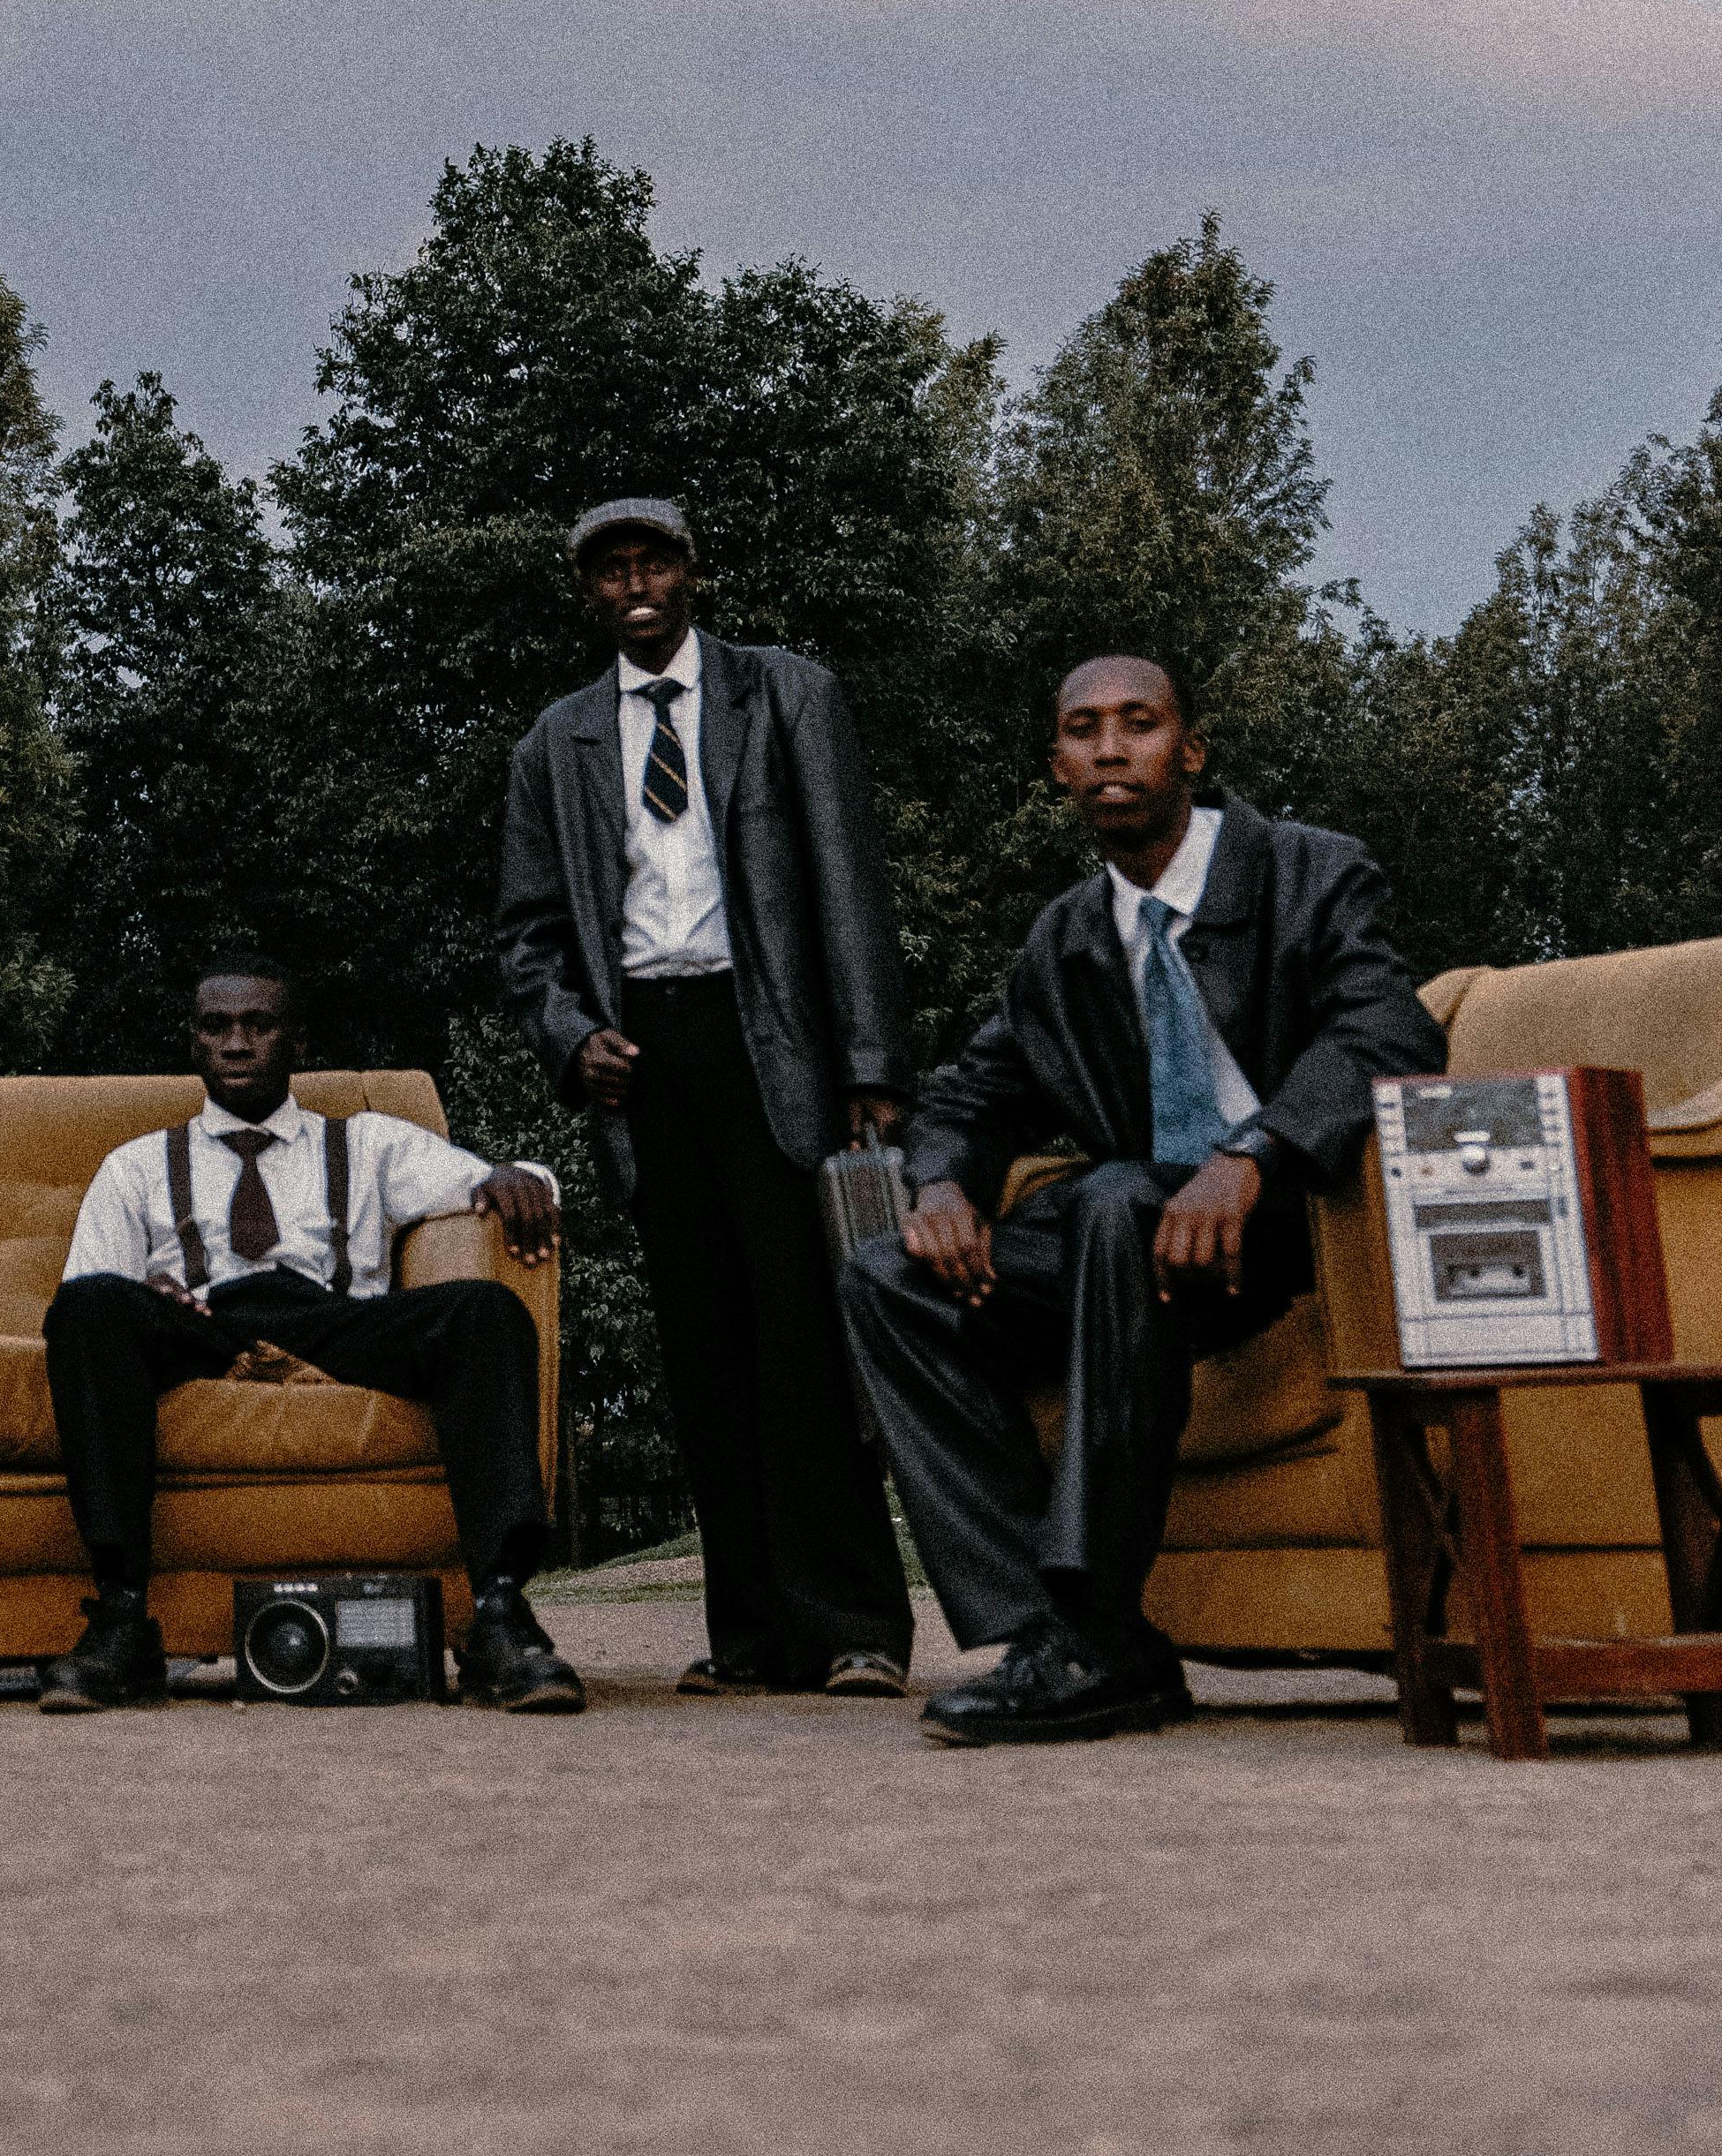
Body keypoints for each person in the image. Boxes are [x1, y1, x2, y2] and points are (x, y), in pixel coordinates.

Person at [842, 651, 1446, 1748]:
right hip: (1135, 1249)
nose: (1111, 749)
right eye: (1083, 730)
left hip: (1290, 1231)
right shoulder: (1067, 938)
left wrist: (1255, 1151)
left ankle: (1094, 1619)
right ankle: (1056, 1635)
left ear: (1192, 750)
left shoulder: (1312, 873)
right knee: (887, 1274)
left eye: (1139, 723)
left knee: (1116, 1198)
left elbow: (1387, 1029)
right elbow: (972, 1095)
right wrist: (938, 1186)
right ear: (1058, 767)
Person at [495, 495, 916, 1700]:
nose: (635, 583)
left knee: (805, 1339)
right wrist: (576, 1038)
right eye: (610, 569)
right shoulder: (557, 744)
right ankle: (749, 1639)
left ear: (691, 574)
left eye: (654, 562)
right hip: (647, 1057)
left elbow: (850, 887)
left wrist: (874, 1072)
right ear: (588, 593)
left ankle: (853, 1630)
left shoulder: (787, 695)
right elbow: (526, 937)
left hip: (775, 1036)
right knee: (704, 1351)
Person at [34, 956, 585, 1712]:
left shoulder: (365, 1144)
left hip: (336, 1326)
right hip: (206, 1329)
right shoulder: (135, 1166)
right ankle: (124, 1616)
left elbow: (492, 1178)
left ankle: (498, 1614)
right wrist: (145, 1293)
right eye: (215, 1027)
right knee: (92, 1307)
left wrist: (521, 1177)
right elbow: (83, 1298)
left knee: (485, 1312)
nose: (236, 1043)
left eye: (257, 1026)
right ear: (192, 1043)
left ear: (295, 1041)